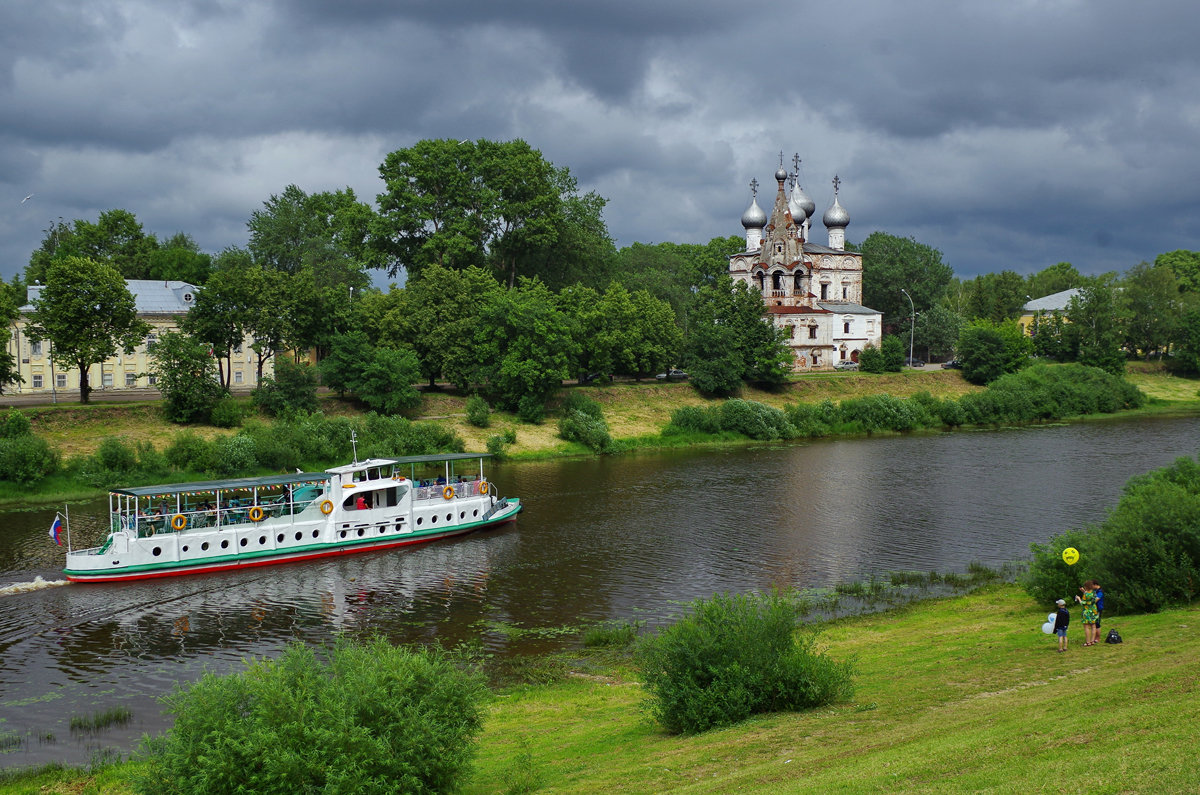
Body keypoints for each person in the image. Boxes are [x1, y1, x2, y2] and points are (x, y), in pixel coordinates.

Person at [1075, 580, 1100, 646]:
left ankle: (1088, 642)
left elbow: (1083, 603)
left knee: (1086, 627)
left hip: (1087, 611)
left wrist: (1079, 598)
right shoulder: (1094, 593)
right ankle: (1092, 641)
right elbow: (1092, 599)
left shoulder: (1085, 594)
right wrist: (1083, 591)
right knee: (1093, 626)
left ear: (1086, 587)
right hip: (1094, 611)